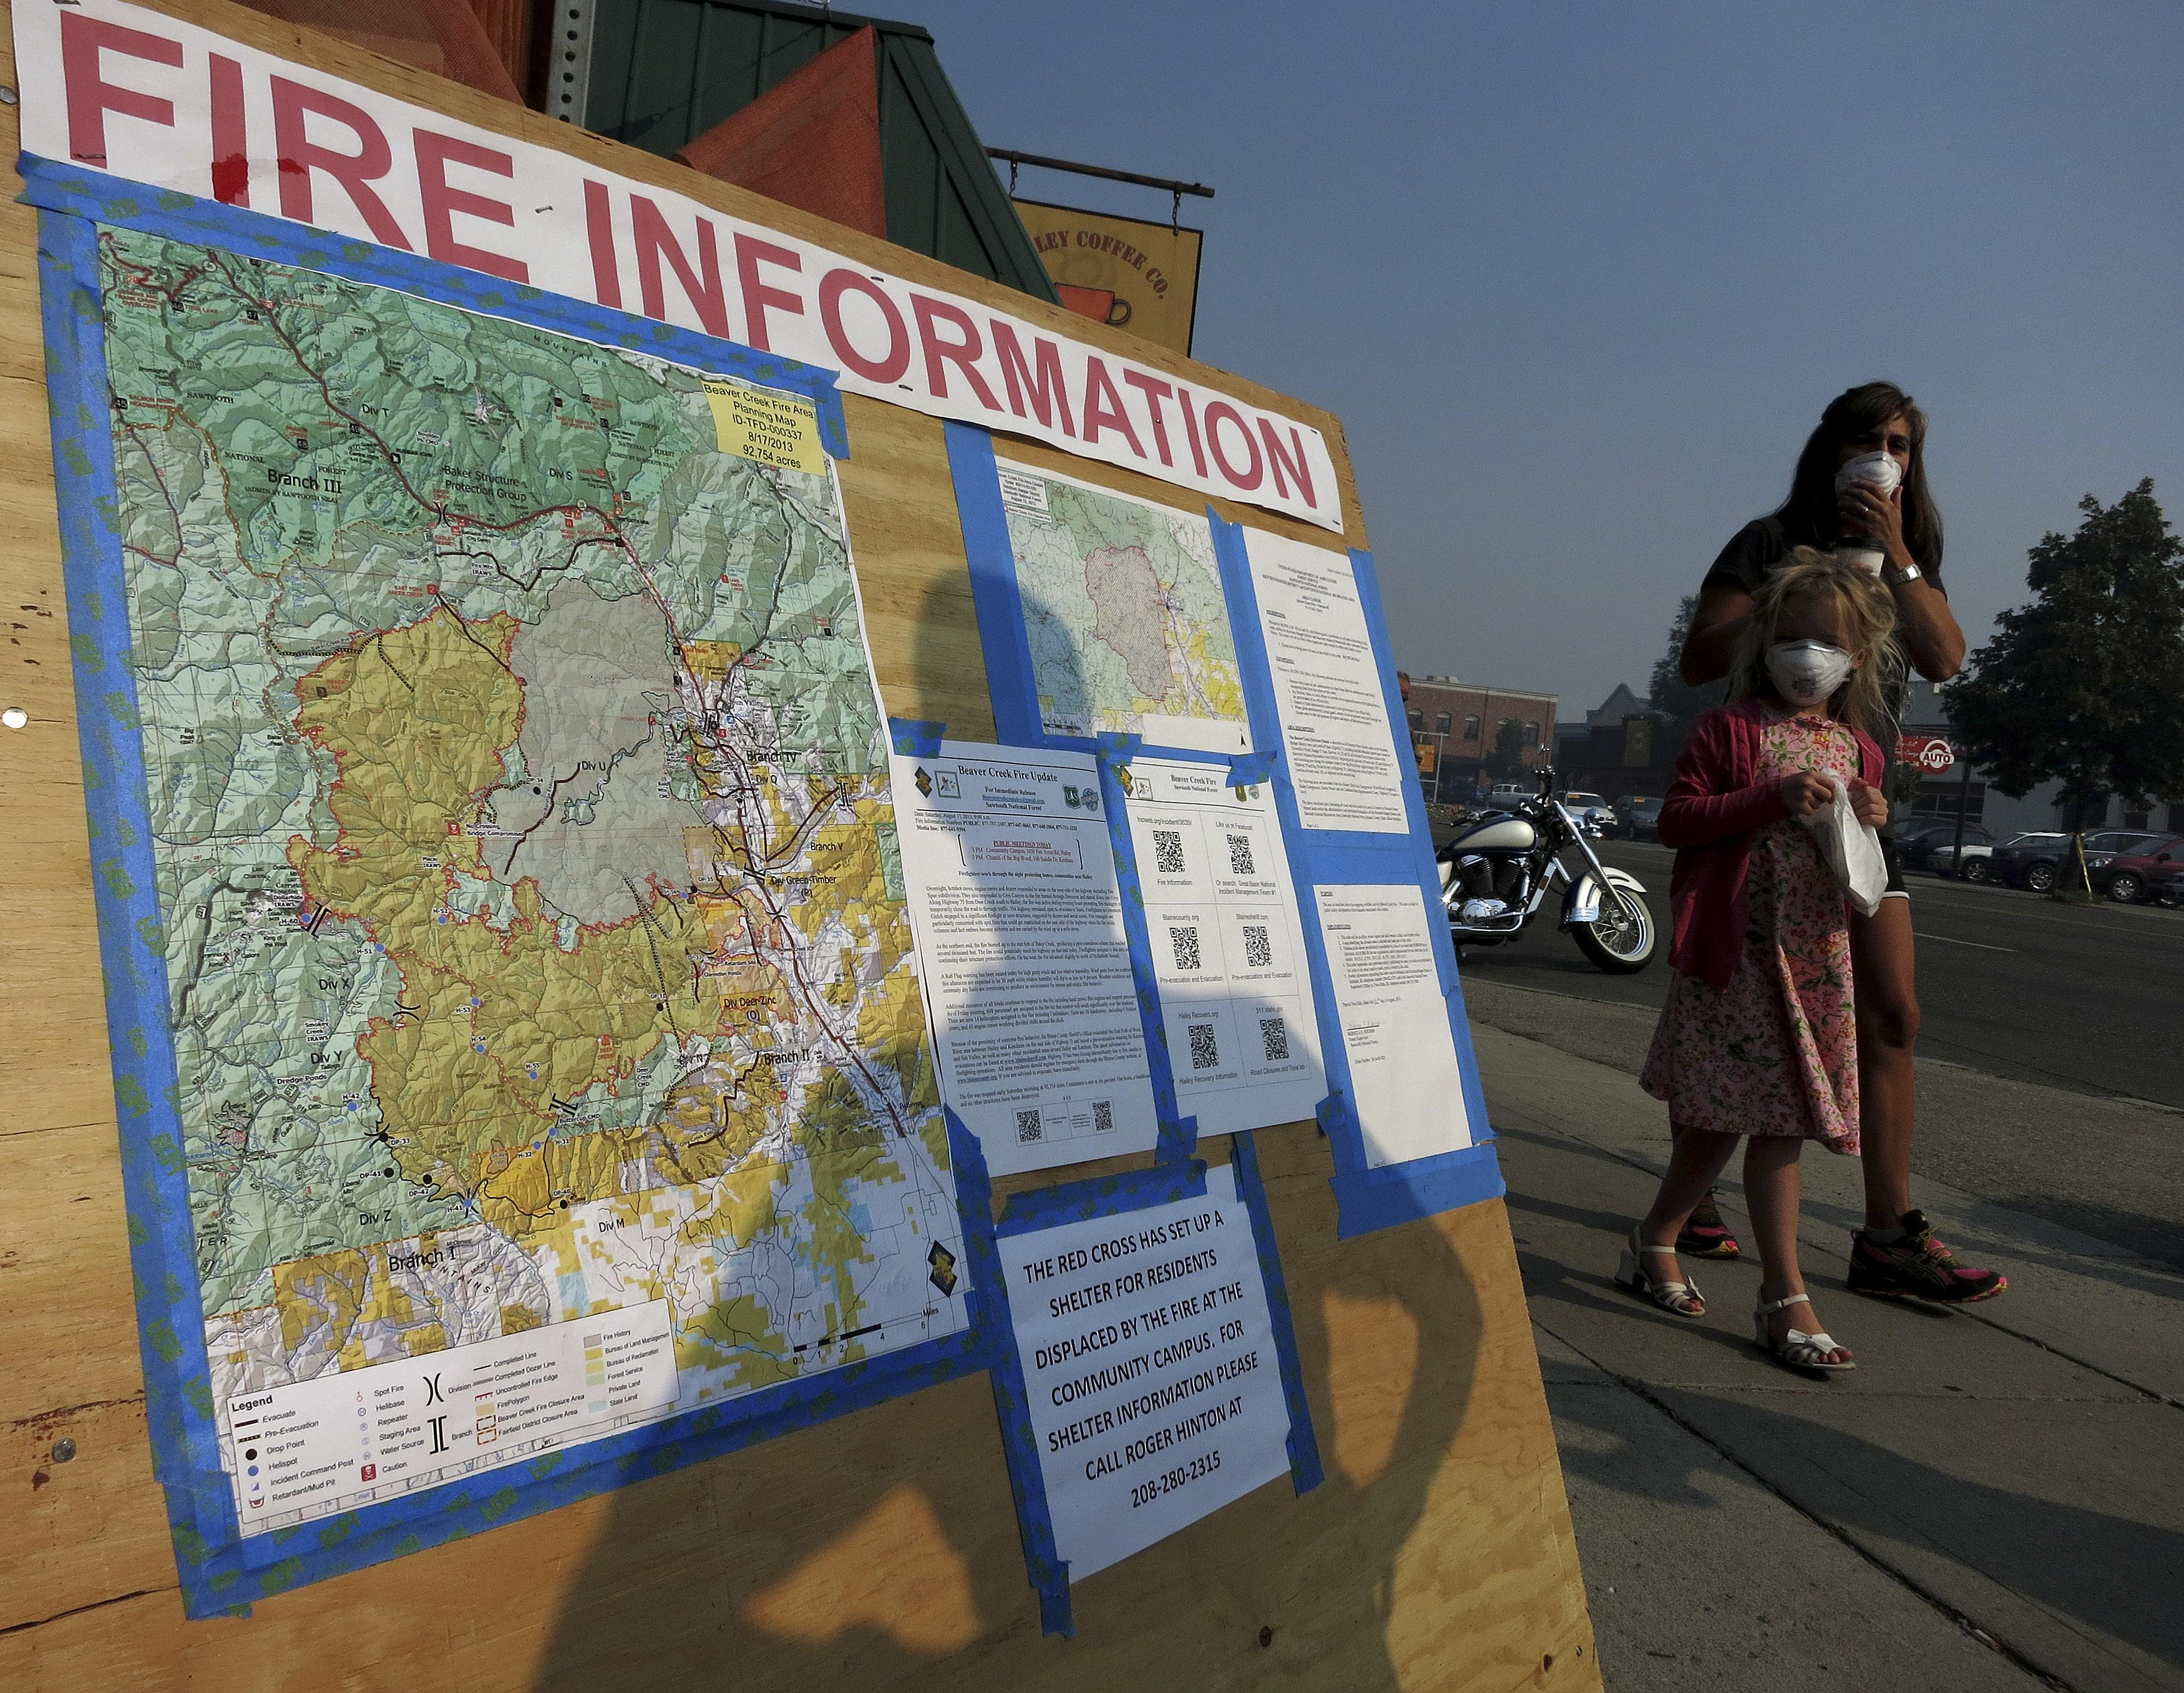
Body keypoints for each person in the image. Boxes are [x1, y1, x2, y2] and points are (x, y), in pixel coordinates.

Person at [1675, 382, 2006, 1304]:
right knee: (1738, 1004)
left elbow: (1945, 655)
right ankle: (1694, 1194)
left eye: (1901, 444)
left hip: (1858, 813)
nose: (1885, 455)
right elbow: (1701, 655)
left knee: (1894, 1012)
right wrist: (1804, 592)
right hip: (1764, 801)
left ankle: (1887, 1234)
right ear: (1831, 448)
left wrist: (1894, 557)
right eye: (1869, 439)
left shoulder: (1911, 554)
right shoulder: (1767, 542)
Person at [1618, 552, 1893, 1370]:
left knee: (1781, 1126)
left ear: (1859, 657)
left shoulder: (1860, 748)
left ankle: (1782, 1294)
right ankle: (1659, 1238)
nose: (1809, 655)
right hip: (1735, 962)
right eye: (1794, 637)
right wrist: (1765, 798)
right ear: (1766, 641)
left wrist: (1875, 814)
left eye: (1830, 642)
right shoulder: (1730, 730)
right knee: (1712, 1126)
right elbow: (1676, 821)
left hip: (1814, 965)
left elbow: (1860, 854)